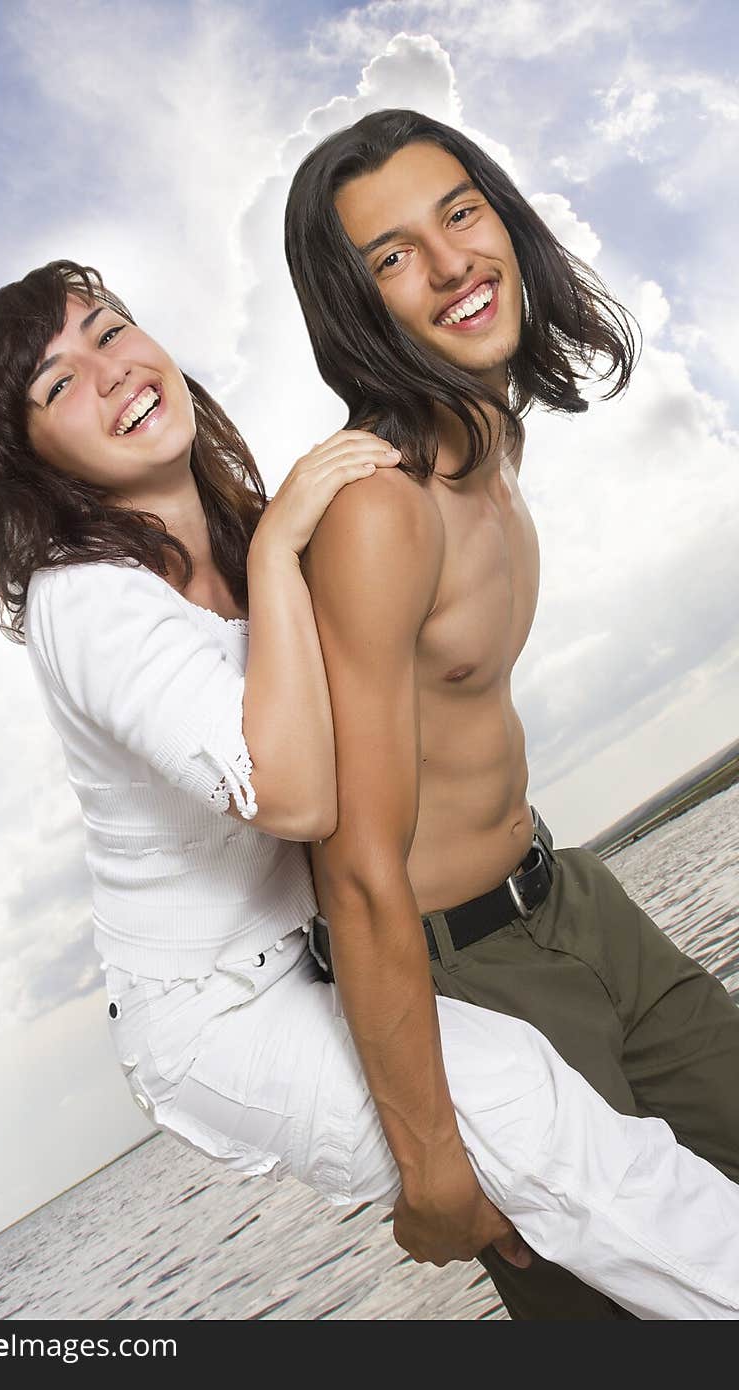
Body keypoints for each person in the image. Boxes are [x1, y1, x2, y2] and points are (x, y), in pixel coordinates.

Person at [0, 259, 739, 1321]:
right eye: (56, 383)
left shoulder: (241, 525)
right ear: (33, 461)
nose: (108, 372)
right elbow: (294, 796)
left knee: (540, 1162)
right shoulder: (82, 600)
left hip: (332, 954)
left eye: (109, 329)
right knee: (519, 1107)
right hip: (215, 1014)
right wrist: (281, 549)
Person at [283, 108, 739, 1319]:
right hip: (471, 982)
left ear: (503, 216)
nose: (446, 267)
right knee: (623, 1314)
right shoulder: (381, 510)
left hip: (573, 899)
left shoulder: (493, 438)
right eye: (390, 257)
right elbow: (356, 866)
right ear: (357, 306)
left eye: (460, 214)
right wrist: (432, 1157)